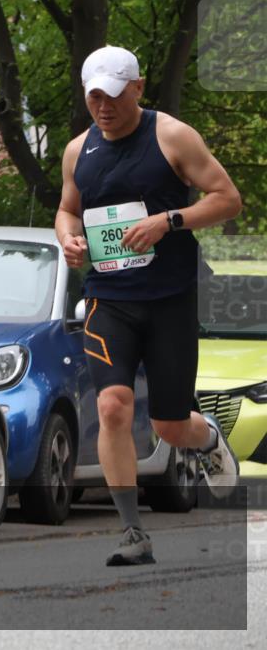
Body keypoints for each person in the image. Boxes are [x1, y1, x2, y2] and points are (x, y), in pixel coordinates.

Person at [55, 46, 243, 566]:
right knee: (111, 405)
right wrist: (68, 240)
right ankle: (133, 533)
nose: (104, 106)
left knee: (169, 425)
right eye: (94, 95)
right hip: (109, 298)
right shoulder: (77, 151)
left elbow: (227, 198)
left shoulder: (172, 137)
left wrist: (169, 221)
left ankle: (206, 441)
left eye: (114, 95)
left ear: (138, 87)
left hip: (170, 299)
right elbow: (68, 210)